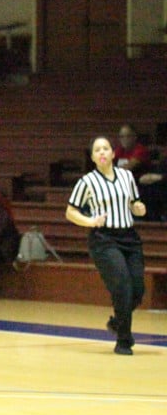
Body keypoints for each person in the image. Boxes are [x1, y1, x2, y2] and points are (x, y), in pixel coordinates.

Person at [66, 136, 146, 355]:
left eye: (106, 148)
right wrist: (90, 221)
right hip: (104, 238)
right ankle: (124, 340)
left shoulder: (127, 176)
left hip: (129, 236)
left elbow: (134, 203)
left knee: (138, 289)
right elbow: (70, 211)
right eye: (97, 150)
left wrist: (138, 208)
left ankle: (117, 321)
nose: (102, 152)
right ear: (92, 157)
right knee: (122, 284)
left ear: (113, 153)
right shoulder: (86, 182)